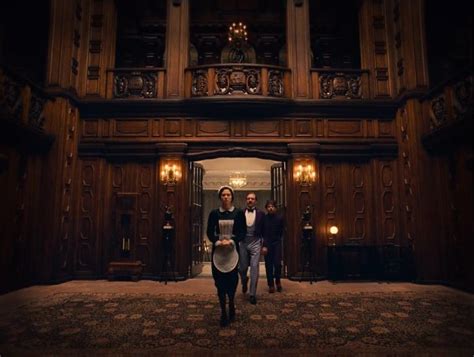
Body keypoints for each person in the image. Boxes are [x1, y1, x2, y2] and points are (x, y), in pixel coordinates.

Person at [207, 186, 246, 327]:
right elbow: (209, 232)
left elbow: (242, 232)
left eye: (228, 194)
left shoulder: (238, 213)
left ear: (232, 197)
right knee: (219, 282)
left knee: (232, 280)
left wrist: (231, 241)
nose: (225, 197)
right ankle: (223, 310)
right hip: (218, 252)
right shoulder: (214, 214)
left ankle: (231, 303)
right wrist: (218, 241)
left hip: (232, 251)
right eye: (223, 194)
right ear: (220, 197)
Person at [239, 192, 264, 304]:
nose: (250, 200)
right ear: (246, 200)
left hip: (255, 241)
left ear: (256, 201)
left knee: (254, 267)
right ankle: (244, 281)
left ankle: (252, 294)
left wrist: (264, 245)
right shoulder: (240, 213)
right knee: (242, 267)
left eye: (252, 199)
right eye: (248, 198)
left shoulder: (261, 214)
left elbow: (265, 230)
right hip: (243, 242)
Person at [261, 200, 284, 293]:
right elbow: (262, 233)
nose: (270, 208)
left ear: (275, 208)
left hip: (277, 243)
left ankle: (278, 281)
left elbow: (282, 231)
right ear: (266, 208)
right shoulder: (264, 219)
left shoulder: (280, 218)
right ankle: (270, 284)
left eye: (272, 206)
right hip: (267, 244)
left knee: (277, 264)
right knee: (268, 265)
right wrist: (264, 245)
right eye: (269, 206)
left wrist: (279, 241)